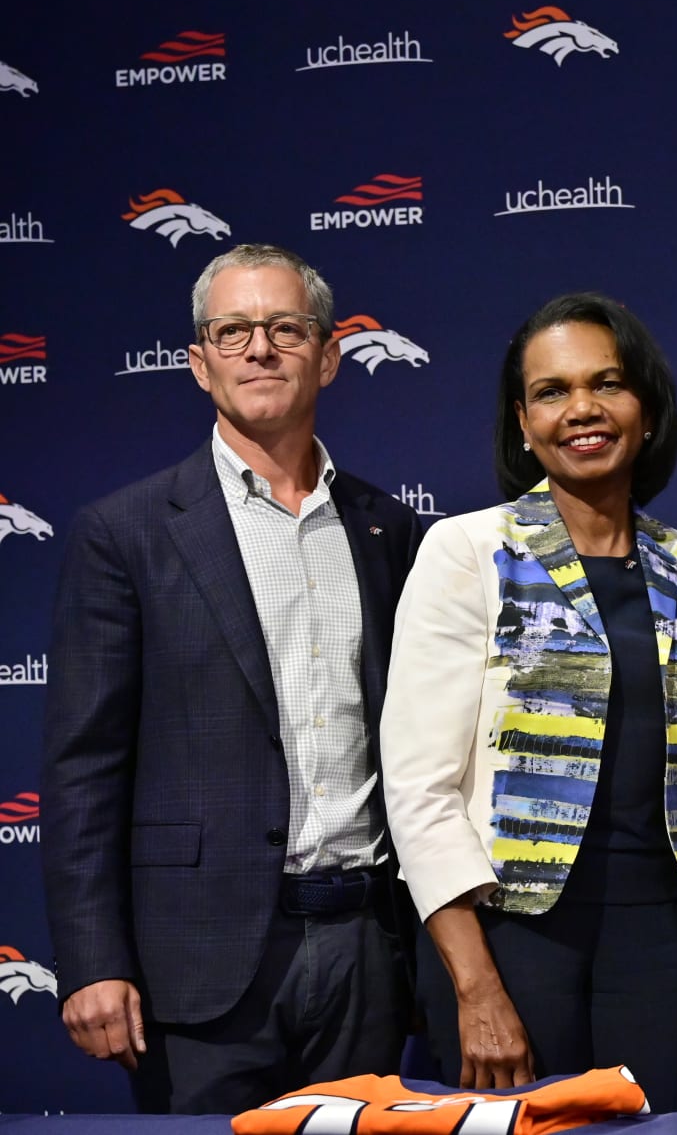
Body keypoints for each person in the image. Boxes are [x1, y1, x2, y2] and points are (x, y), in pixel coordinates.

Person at [41, 243, 422, 1113]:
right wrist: (94, 960)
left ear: (328, 355)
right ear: (199, 363)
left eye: (285, 328)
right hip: (200, 961)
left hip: (367, 951)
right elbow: (83, 766)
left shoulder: (387, 529)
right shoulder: (126, 533)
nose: (260, 348)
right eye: (233, 330)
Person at [380, 293, 677, 1113]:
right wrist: (475, 987)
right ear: (522, 421)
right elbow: (418, 790)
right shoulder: (468, 552)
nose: (581, 409)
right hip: (508, 940)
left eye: (607, 384)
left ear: (645, 410)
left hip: (662, 941)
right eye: (551, 391)